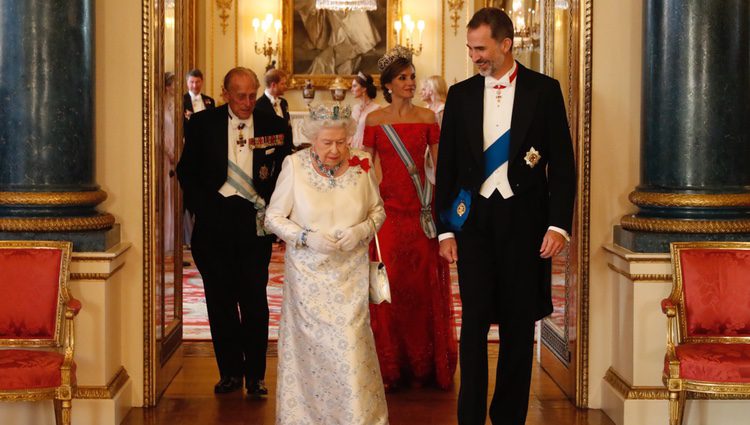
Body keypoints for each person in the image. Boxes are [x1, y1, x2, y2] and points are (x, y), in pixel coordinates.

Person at [434, 8, 576, 425]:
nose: (474, 56)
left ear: (506, 44)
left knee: (517, 324)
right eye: (470, 48)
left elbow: (563, 167)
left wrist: (558, 225)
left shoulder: (544, 91)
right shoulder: (460, 96)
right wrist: (445, 229)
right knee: (474, 324)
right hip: (474, 224)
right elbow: (445, 170)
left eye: (481, 48)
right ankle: (471, 417)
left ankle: (509, 417)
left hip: (525, 224)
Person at [265, 103, 388, 425]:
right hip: (307, 276)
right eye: (327, 143)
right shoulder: (294, 165)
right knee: (312, 354)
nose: (335, 150)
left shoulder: (361, 165)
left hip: (349, 275)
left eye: (341, 142)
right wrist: (305, 237)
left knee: (351, 347)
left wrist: (360, 231)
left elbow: (378, 211)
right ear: (312, 140)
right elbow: (273, 217)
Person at [176, 67, 292, 398]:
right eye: (240, 95)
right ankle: (229, 372)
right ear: (225, 93)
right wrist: (205, 208)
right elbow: (187, 173)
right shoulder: (202, 125)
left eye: (252, 95)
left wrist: (274, 212)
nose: (247, 102)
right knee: (220, 301)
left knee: (254, 300)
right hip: (214, 224)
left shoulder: (274, 125)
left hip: (253, 223)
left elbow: (285, 175)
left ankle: (256, 375)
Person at [363, 45, 458, 391]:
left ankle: (424, 365)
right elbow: (365, 171)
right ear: (388, 84)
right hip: (388, 216)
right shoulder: (374, 120)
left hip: (422, 215)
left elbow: (440, 169)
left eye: (413, 76)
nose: (410, 83)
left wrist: (447, 214)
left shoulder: (427, 118)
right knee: (390, 290)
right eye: (403, 78)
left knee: (422, 289)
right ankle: (390, 364)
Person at [163, 72, 177, 255]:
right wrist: (170, 152)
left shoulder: (172, 105)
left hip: (174, 154)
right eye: (174, 84)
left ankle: (171, 241)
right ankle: (165, 241)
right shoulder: (160, 107)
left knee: (173, 198)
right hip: (166, 157)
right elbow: (160, 133)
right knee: (166, 197)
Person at [350, 71, 380, 149]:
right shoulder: (355, 108)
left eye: (354, 86)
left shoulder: (376, 109)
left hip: (367, 148)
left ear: (363, 88)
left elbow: (377, 135)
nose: (351, 90)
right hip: (353, 147)